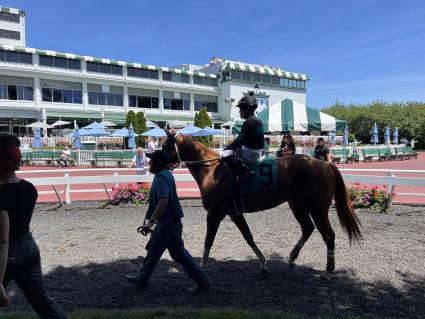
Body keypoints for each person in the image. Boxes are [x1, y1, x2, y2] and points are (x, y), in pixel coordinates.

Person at [0, 132, 67, 318]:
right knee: (43, 302)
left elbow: (3, 241)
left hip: (6, 254)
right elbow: (25, 222)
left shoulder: (1, 194)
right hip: (29, 247)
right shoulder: (29, 188)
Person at [125, 150, 211, 293]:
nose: (149, 162)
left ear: (158, 163)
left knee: (178, 253)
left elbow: (163, 201)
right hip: (167, 222)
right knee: (153, 249)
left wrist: (151, 222)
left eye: (151, 160)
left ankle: (203, 281)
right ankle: (142, 277)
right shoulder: (165, 175)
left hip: (168, 223)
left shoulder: (161, 178)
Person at [222, 91, 264, 166]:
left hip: (251, 154)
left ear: (247, 109)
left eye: (241, 109)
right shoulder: (258, 120)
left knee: (225, 156)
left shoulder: (249, 122)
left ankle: (244, 173)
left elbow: (238, 141)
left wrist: (225, 149)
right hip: (257, 152)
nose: (239, 112)